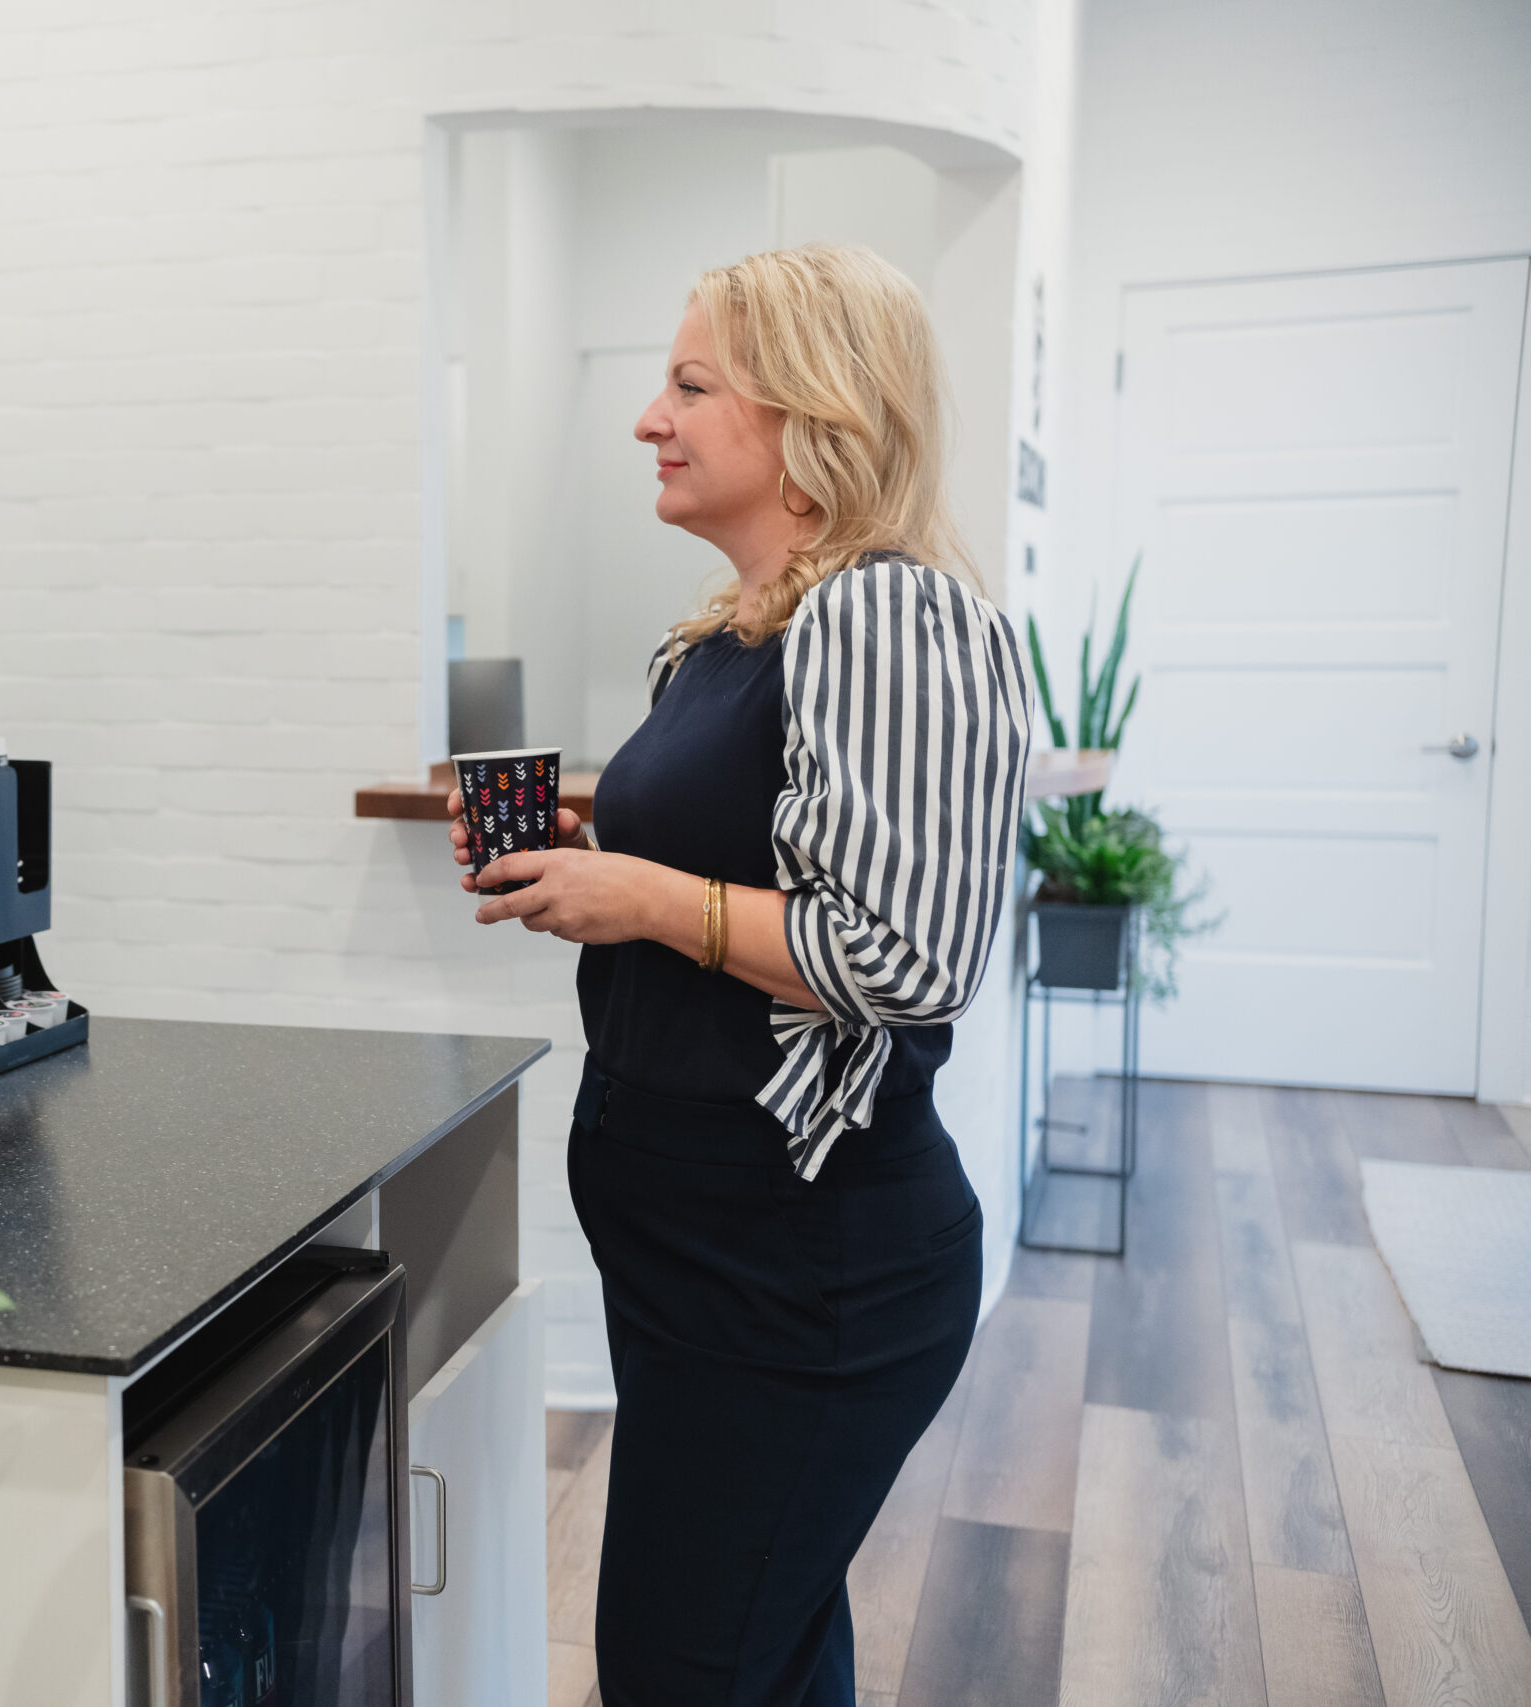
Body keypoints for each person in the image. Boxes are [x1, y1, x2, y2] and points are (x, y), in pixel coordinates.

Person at [447, 243, 1032, 1707]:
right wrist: (606, 847)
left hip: (802, 1270)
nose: (650, 416)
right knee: (759, 1649)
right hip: (703, 1259)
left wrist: (641, 894)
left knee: (683, 1665)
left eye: (692, 384)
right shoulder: (732, 636)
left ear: (814, 416)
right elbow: (770, 859)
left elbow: (903, 956)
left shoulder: (890, 615)